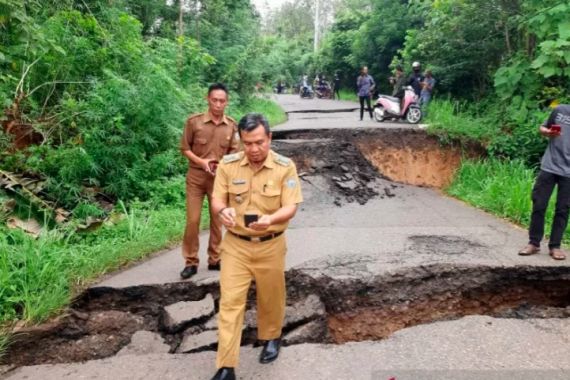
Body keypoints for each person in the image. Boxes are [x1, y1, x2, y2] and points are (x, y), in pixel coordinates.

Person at [210, 113, 303, 380]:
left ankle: (272, 337)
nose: (253, 149)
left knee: (271, 296)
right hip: (236, 245)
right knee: (230, 303)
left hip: (270, 244)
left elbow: (291, 206)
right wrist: (222, 211)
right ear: (240, 141)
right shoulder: (228, 165)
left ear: (269, 138)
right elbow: (217, 199)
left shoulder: (285, 166)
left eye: (259, 142)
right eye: (247, 143)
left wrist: (271, 219)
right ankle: (226, 366)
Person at [179, 83, 240, 279]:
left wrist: (222, 167)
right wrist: (202, 162)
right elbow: (185, 149)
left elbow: (234, 151)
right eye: (214, 100)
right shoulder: (194, 122)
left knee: (217, 221)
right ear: (208, 99)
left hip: (219, 180)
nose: (218, 104)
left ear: (227, 102)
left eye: (222, 101)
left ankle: (215, 258)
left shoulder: (231, 125)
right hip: (196, 177)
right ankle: (191, 261)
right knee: (193, 220)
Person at [518, 104, 570, 261]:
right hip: (549, 166)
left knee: (563, 209)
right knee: (539, 204)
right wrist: (547, 132)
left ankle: (555, 246)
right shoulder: (560, 110)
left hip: (568, 172)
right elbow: (543, 127)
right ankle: (533, 243)